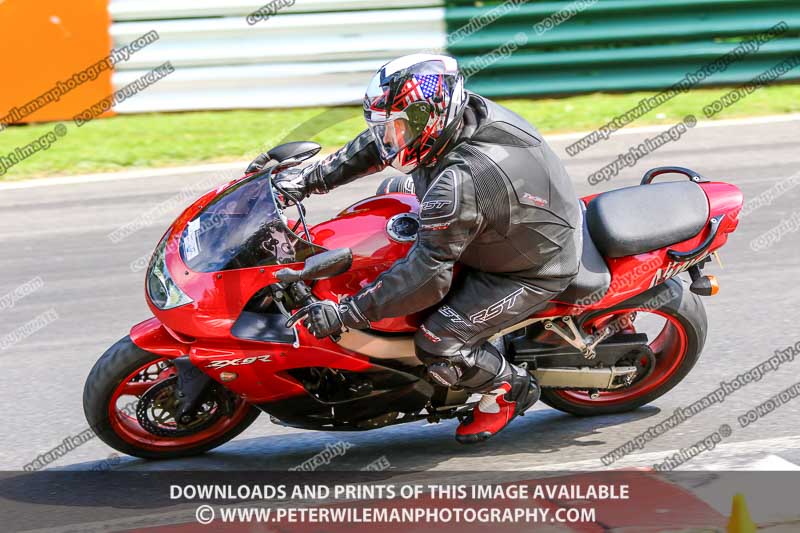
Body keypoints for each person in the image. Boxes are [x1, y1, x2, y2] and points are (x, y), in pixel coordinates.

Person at [248, 53, 582, 443]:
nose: (391, 138)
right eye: (388, 128)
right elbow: (378, 146)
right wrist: (310, 180)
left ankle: (507, 389)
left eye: (399, 128)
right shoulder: (453, 120)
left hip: (530, 266)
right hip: (498, 220)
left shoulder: (461, 180)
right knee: (383, 207)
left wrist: (347, 313)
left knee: (437, 343)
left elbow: (428, 277)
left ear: (430, 119)